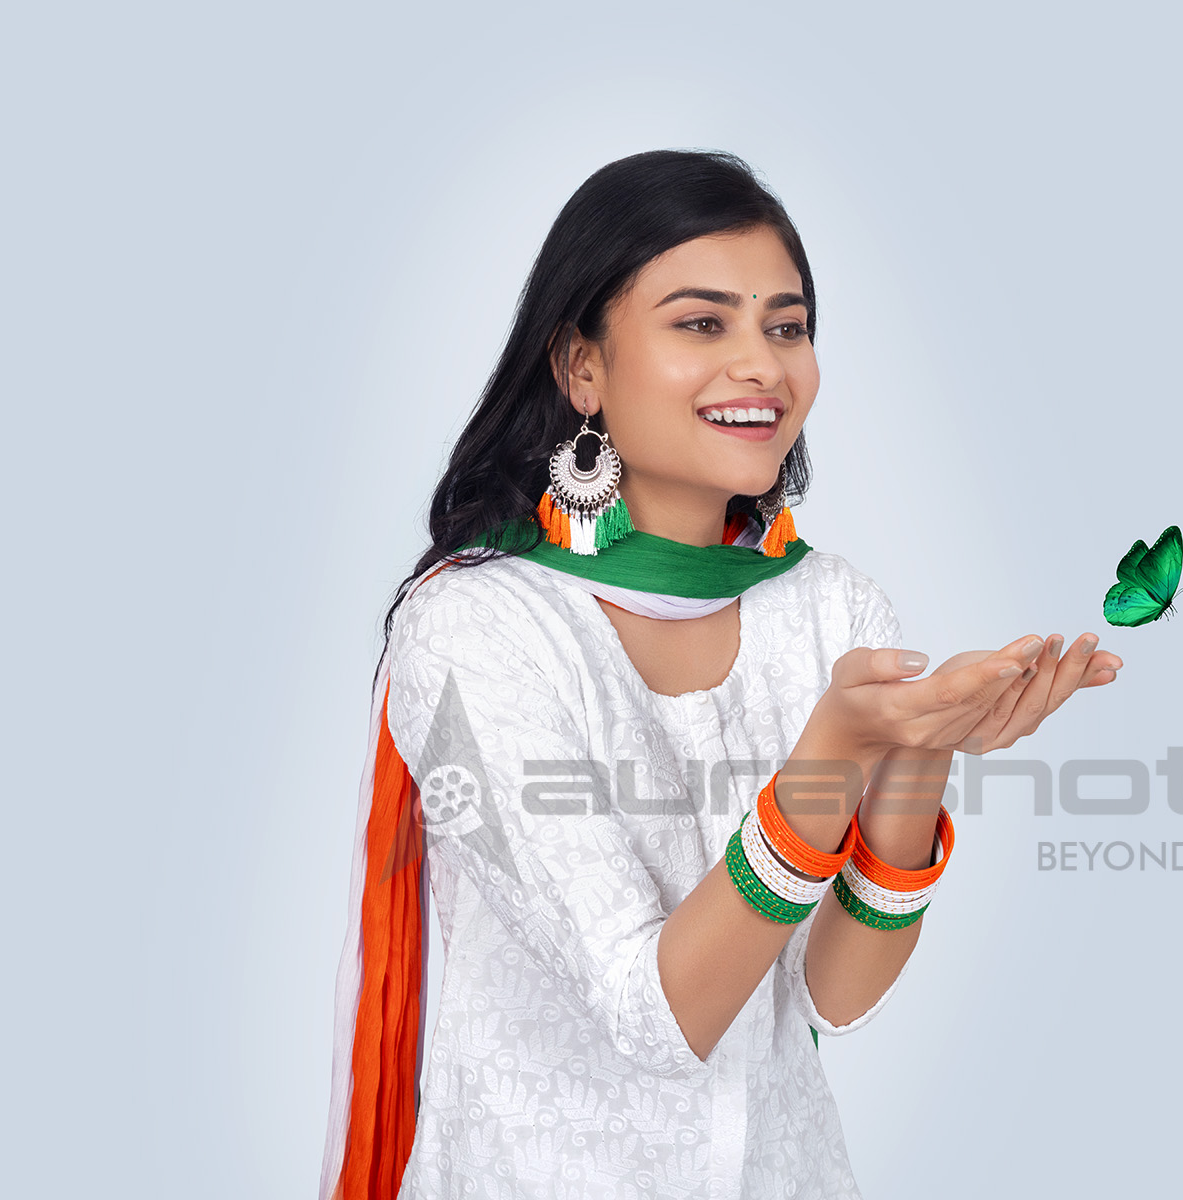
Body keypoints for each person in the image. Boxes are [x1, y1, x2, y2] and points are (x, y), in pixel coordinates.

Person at [319, 148, 1124, 1200]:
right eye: (703, 323)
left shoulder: (831, 607)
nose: (763, 364)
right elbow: (653, 1015)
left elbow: (835, 996)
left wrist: (915, 759)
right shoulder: (476, 630)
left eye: (786, 326)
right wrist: (833, 756)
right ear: (582, 368)